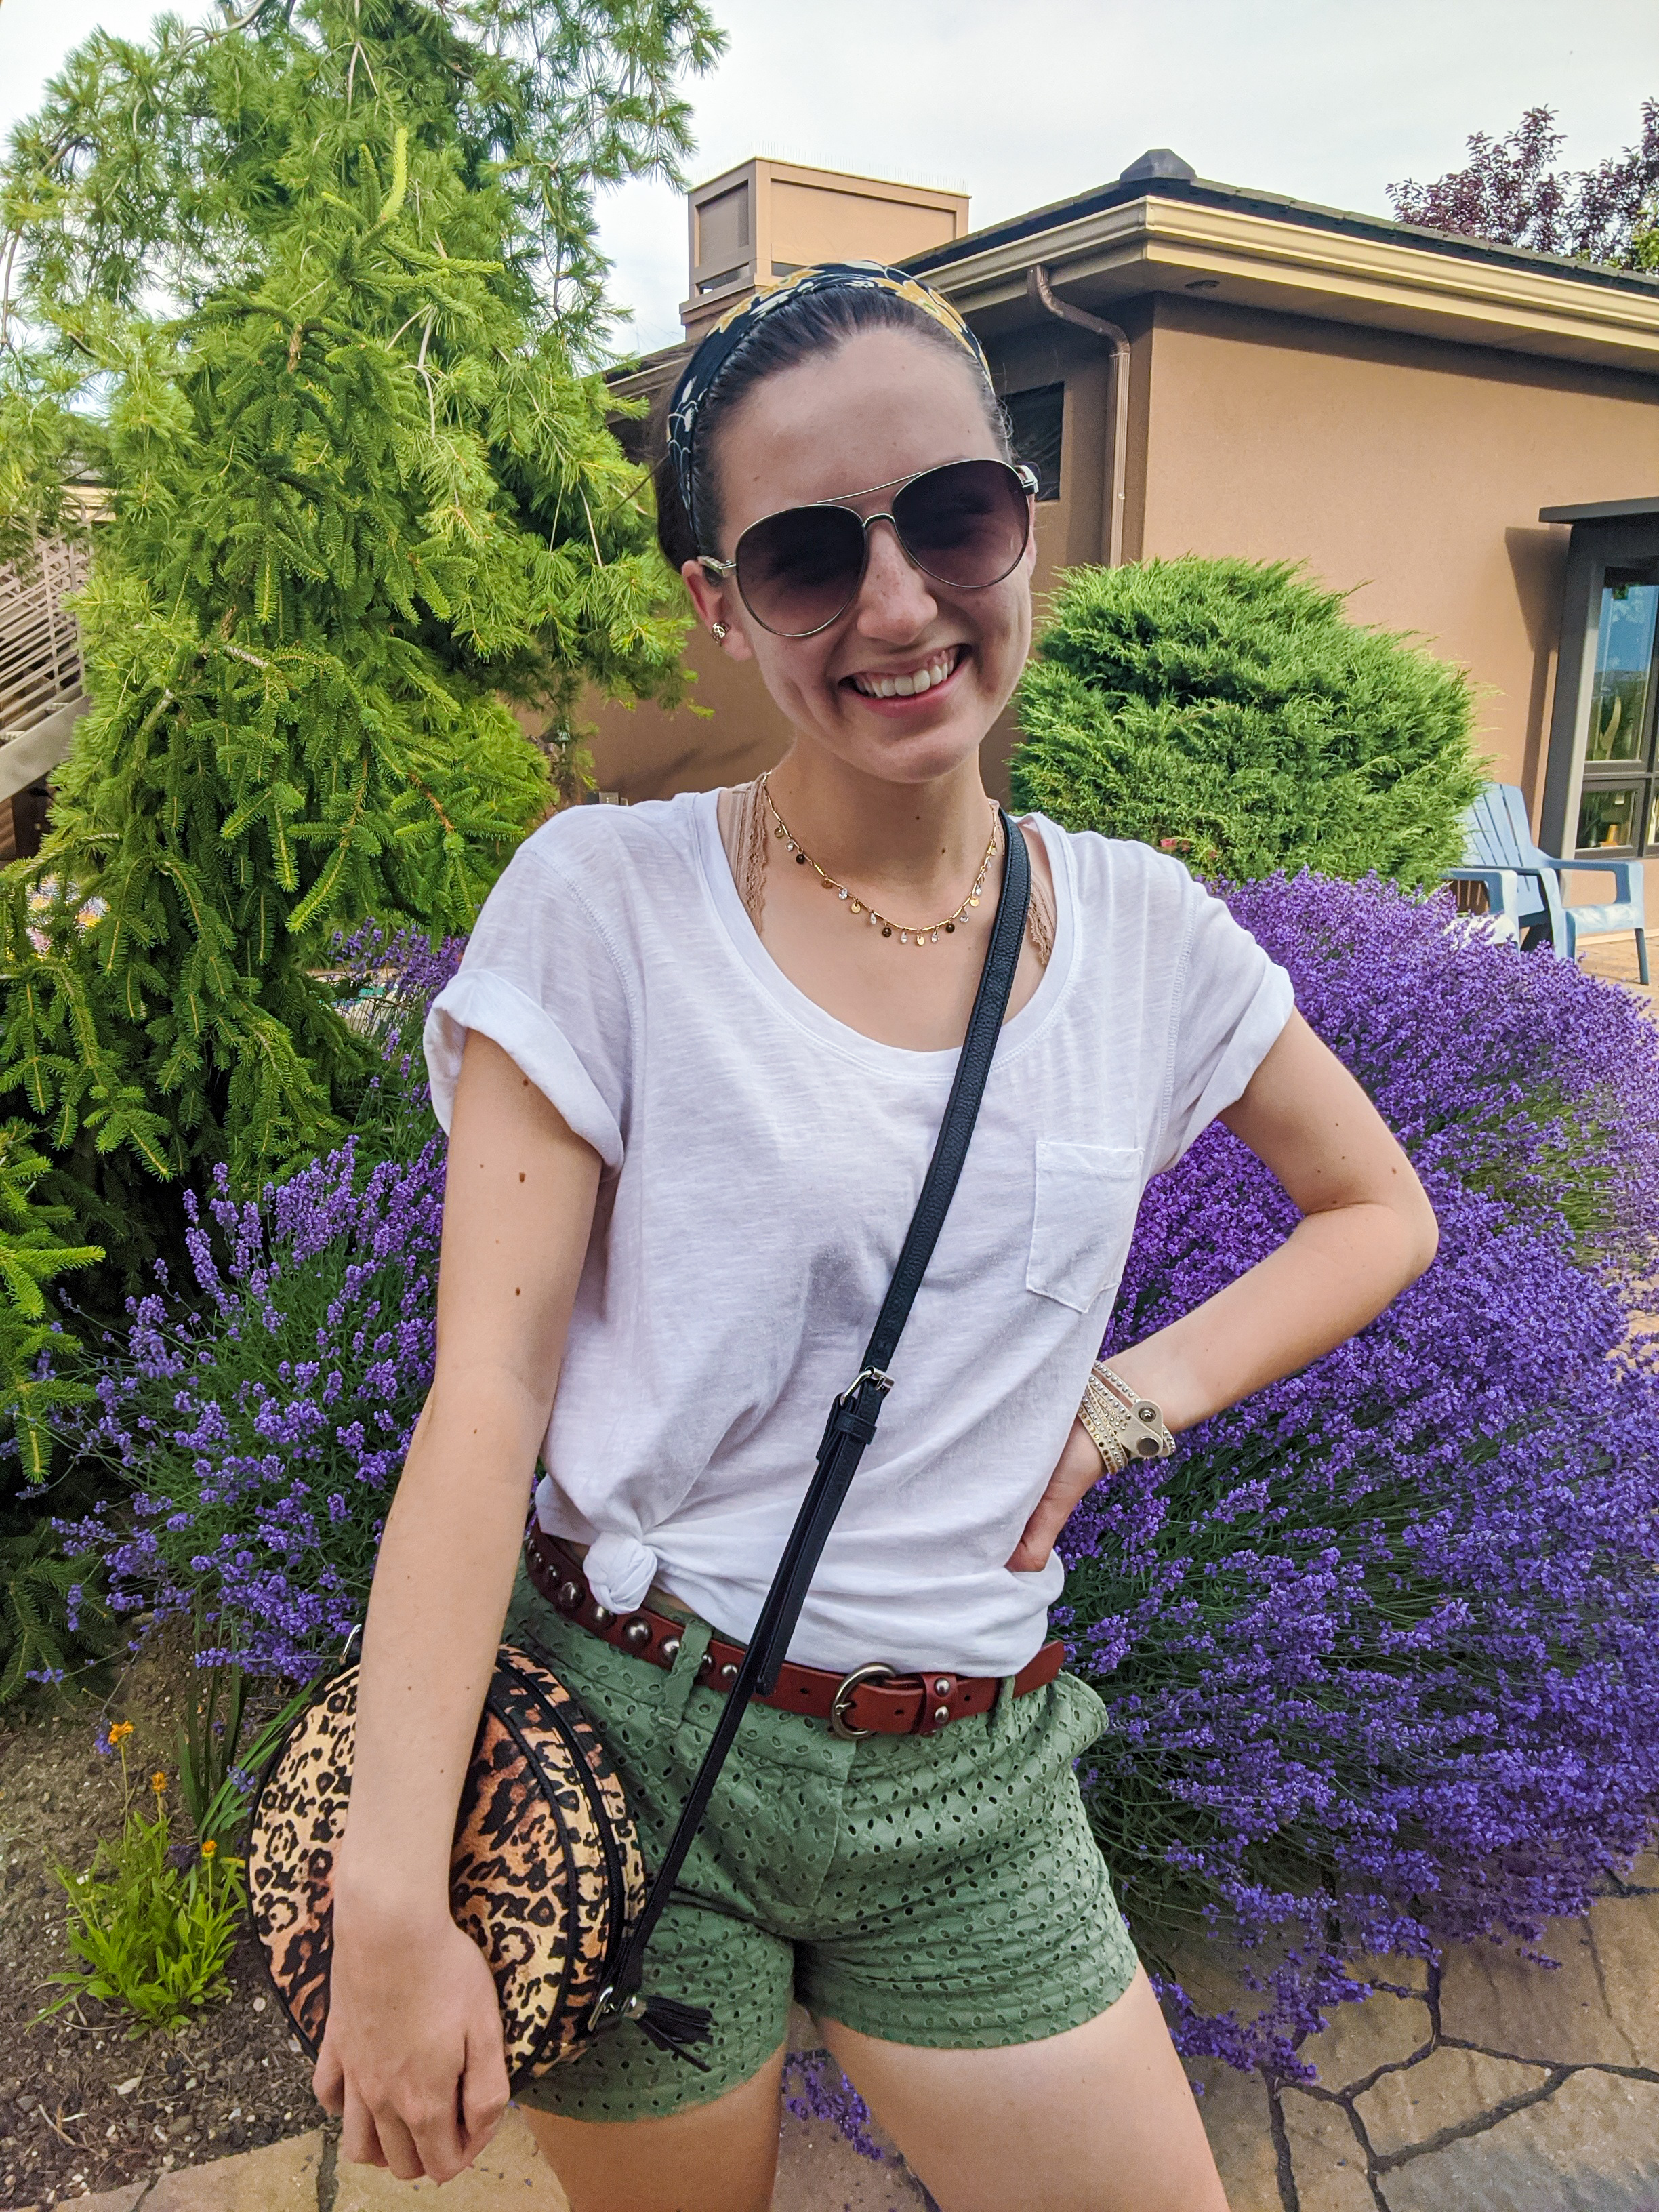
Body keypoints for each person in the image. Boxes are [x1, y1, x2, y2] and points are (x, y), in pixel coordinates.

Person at [313, 263, 1439, 2212]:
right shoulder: (608, 908)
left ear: (1023, 521)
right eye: (811, 556)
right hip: (628, 1740)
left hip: (969, 1780)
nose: (901, 603)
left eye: (952, 517)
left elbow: (1379, 1211)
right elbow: (484, 1402)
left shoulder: (1149, 935)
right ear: (722, 605)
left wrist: (1126, 1403)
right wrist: (390, 1898)